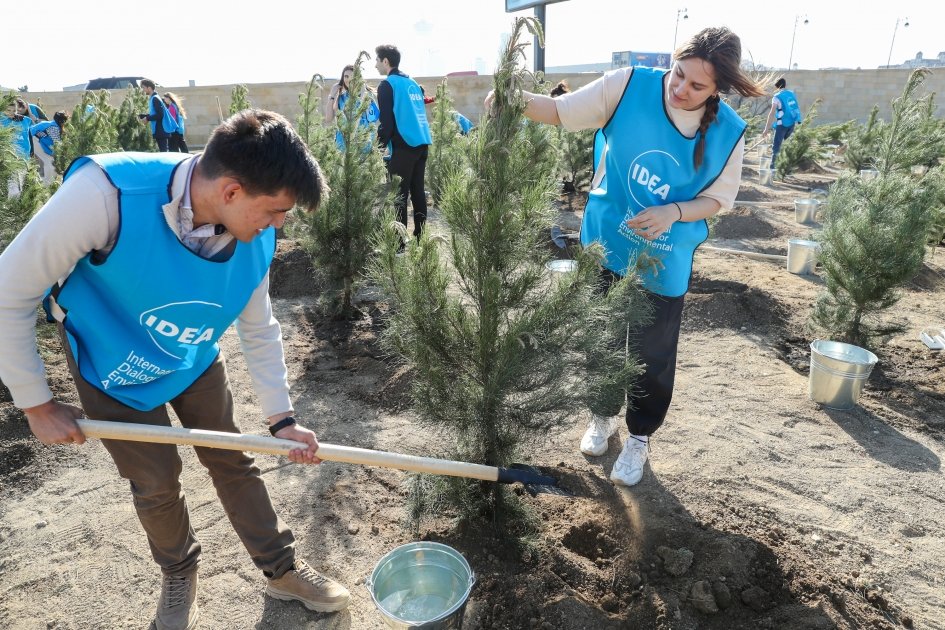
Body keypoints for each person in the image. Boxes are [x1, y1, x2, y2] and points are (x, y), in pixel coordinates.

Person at [0, 109, 351, 629]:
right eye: (275, 210)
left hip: (191, 358)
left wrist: (282, 419)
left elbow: (259, 327)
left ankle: (282, 570)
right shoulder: (105, 195)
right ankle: (179, 572)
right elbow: (9, 292)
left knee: (233, 458)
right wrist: (35, 402)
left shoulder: (255, 238)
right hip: (113, 365)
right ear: (231, 192)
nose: (280, 224)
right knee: (156, 484)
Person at [491, 27, 765, 487]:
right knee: (599, 338)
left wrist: (674, 211)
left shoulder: (728, 133)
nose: (680, 89)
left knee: (651, 354)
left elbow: (719, 199)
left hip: (663, 259)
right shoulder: (628, 85)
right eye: (678, 75)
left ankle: (639, 436)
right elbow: (559, 111)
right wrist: (510, 96)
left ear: (718, 89)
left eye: (697, 86)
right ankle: (602, 416)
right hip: (606, 243)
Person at [375, 44, 432, 242]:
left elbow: (387, 123)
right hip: (422, 143)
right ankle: (421, 239)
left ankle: (398, 246)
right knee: (417, 192)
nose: (375, 65)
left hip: (403, 145)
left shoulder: (387, 85)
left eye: (377, 60)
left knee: (398, 197)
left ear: (385, 61)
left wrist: (378, 147)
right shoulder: (413, 83)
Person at [325, 64, 380, 150]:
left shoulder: (367, 96)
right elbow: (328, 118)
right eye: (346, 76)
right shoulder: (341, 97)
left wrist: (363, 93)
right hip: (343, 145)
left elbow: (373, 118)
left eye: (352, 77)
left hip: (363, 146)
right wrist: (332, 95)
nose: (349, 79)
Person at [761, 77, 802, 169]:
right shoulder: (791, 94)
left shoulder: (777, 97)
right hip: (792, 124)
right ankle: (786, 169)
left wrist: (766, 129)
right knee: (787, 147)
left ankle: (773, 170)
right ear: (785, 85)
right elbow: (795, 108)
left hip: (782, 124)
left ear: (777, 86)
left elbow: (771, 114)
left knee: (776, 148)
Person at [138, 78, 178, 152]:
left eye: (143, 87)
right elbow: (155, 113)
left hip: (161, 130)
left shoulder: (155, 98)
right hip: (159, 130)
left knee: (164, 152)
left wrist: (147, 119)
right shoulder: (153, 98)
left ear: (149, 88)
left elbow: (160, 115)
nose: (142, 90)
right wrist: (142, 116)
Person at [29, 111, 68, 184]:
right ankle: (47, 185)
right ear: (63, 121)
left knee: (51, 164)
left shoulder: (53, 124)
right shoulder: (54, 127)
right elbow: (57, 145)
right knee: (50, 164)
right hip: (34, 139)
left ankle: (50, 183)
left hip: (38, 140)